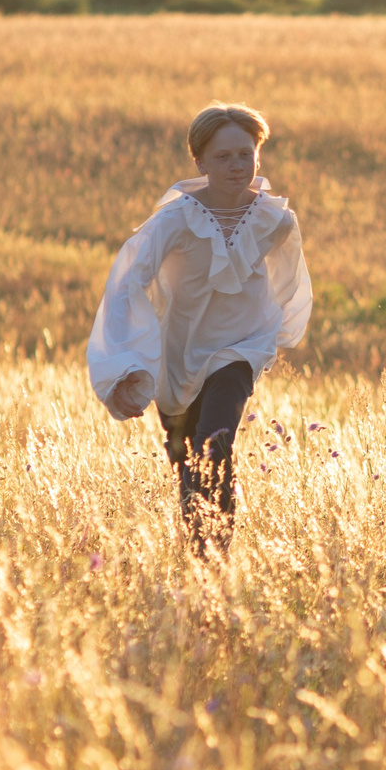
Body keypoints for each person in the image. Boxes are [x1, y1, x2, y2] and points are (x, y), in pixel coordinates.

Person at [87, 102, 313, 555]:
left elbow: (290, 283)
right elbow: (128, 283)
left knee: (216, 442)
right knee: (185, 461)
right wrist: (129, 362)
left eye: (245, 154)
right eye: (224, 156)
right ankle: (199, 559)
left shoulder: (275, 220)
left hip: (240, 348)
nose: (236, 165)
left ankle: (218, 555)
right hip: (177, 355)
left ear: (258, 156)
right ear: (200, 161)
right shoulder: (175, 220)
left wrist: (274, 335)